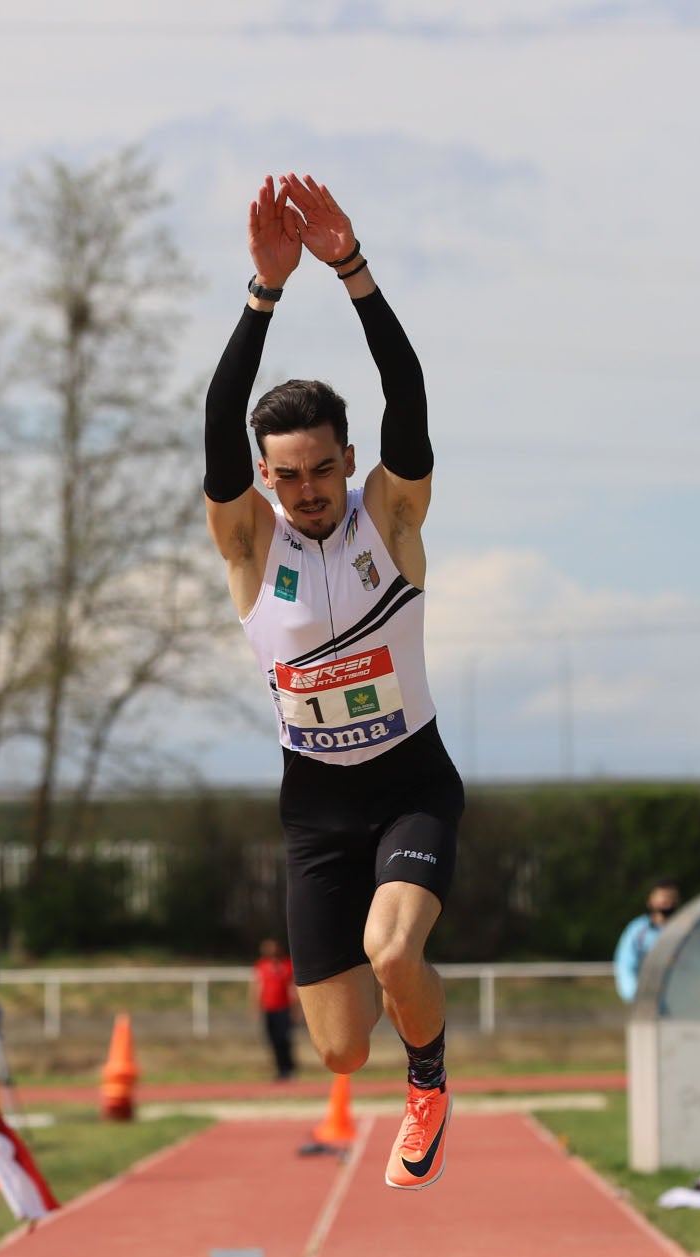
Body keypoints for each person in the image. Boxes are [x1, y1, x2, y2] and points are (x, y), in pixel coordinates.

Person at [203, 173, 461, 1191]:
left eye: (321, 468)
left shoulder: (388, 520)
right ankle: (392, 1064)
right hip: (314, 809)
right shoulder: (247, 546)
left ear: (347, 459)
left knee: (395, 953)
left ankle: (431, 1082)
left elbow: (410, 395)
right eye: (287, 474)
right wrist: (261, 292)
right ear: (264, 479)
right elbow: (220, 419)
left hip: (410, 784)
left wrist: (351, 270)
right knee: (343, 1048)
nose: (307, 489)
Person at [613, 879, 683, 1005]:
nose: (668, 904)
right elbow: (625, 965)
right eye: (663, 899)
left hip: (680, 1002)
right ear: (651, 900)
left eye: (672, 898)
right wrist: (636, 995)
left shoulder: (686, 928)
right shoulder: (638, 930)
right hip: (645, 1003)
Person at [253, 938, 298, 1081]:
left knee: (284, 1039)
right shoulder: (261, 966)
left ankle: (289, 1068)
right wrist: (256, 1006)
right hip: (269, 1009)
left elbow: (292, 988)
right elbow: (257, 988)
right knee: (272, 1040)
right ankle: (280, 1069)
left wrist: (296, 1008)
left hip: (284, 1009)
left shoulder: (287, 965)